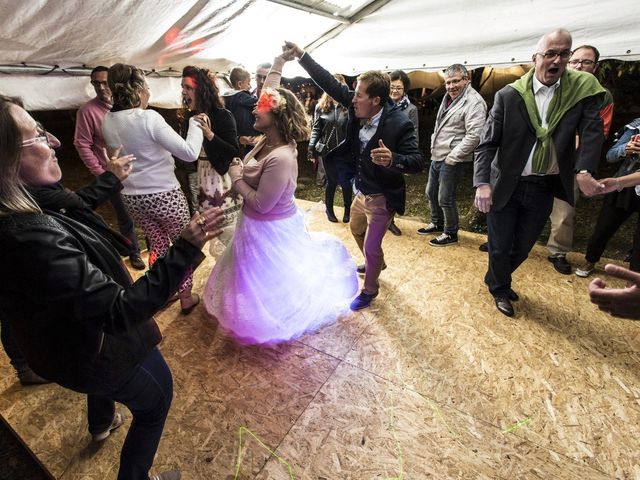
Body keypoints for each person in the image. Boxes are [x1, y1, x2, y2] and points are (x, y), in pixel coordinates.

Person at [0, 95, 225, 480]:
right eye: (36, 135)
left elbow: (71, 206)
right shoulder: (28, 236)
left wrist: (109, 179)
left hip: (69, 343)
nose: (54, 140)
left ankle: (101, 422)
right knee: (156, 401)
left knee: (102, 364)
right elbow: (118, 311)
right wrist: (185, 247)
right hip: (95, 349)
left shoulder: (26, 206)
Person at [203, 55, 358, 344]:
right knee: (252, 279)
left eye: (260, 110)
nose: (254, 111)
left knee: (275, 282)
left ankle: (274, 319)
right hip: (251, 227)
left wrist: (236, 176)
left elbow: (261, 204)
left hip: (269, 231)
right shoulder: (266, 138)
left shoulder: (282, 157)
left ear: (275, 117)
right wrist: (279, 62)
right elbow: (269, 93)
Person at [281, 41, 425, 311]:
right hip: (361, 190)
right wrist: (301, 55)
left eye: (358, 95)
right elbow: (328, 83)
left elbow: (417, 162)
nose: (352, 99)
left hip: (382, 196)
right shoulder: (360, 106)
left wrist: (394, 159)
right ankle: (376, 263)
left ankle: (371, 289)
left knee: (371, 246)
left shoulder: (399, 123)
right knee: (356, 229)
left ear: (376, 101)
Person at [474, 28, 606, 317]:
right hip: (506, 184)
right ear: (535, 58)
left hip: (544, 186)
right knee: (499, 245)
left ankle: (496, 278)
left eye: (564, 54)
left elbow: (592, 130)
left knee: (523, 246)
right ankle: (499, 288)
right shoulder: (509, 96)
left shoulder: (578, 93)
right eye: (550, 53)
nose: (557, 59)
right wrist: (482, 183)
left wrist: (584, 169)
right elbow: (487, 144)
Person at [102, 63, 206, 314]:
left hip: (131, 197)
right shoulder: (147, 117)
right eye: (148, 87)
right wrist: (195, 124)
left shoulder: (108, 120)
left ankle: (163, 291)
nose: (149, 93)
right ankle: (185, 295)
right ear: (138, 90)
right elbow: (189, 153)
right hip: (164, 194)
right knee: (184, 245)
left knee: (158, 245)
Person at [546, 45, 615, 274]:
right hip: (542, 156)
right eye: (575, 61)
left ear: (595, 67)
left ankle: (557, 252)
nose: (579, 66)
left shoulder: (602, 95)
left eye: (586, 62)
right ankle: (510, 242)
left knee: (564, 208)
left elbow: (598, 131)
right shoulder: (554, 85)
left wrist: (582, 163)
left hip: (573, 162)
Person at [74, 66, 145, 270]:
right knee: (125, 216)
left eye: (105, 82)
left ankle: (155, 247)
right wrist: (103, 173)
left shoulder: (127, 105)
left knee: (145, 210)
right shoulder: (87, 111)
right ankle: (134, 252)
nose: (101, 87)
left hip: (138, 171)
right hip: (115, 175)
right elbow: (82, 143)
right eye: (96, 83)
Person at [419, 64, 486, 247]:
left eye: (456, 81)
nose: (451, 86)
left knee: (445, 198)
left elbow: (475, 135)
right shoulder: (449, 98)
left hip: (452, 157)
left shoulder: (474, 102)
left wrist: (453, 156)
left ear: (466, 80)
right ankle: (437, 222)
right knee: (430, 192)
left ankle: (450, 232)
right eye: (448, 82)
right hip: (438, 154)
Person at [574, 120, 640, 277]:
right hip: (624, 188)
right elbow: (610, 156)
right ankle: (591, 260)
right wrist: (626, 149)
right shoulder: (636, 127)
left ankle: (633, 279)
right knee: (603, 229)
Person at [178, 66, 240, 222]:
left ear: (202, 91)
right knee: (208, 225)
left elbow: (233, 151)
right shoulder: (190, 119)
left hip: (221, 176)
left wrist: (210, 135)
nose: (184, 92)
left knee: (226, 226)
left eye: (188, 88)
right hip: (201, 176)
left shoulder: (223, 115)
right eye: (183, 87)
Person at [308, 74, 351, 223]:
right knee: (331, 181)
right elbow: (316, 129)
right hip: (328, 152)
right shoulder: (321, 107)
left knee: (346, 182)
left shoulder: (349, 106)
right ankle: (329, 210)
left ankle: (348, 210)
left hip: (345, 151)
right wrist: (311, 148)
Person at [387, 70, 421, 236]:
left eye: (398, 88)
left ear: (404, 90)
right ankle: (379, 219)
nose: (394, 91)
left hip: (398, 155)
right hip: (380, 152)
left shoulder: (411, 109)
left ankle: (390, 221)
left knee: (394, 188)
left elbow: (414, 133)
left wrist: (409, 160)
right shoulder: (381, 105)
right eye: (392, 87)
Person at [223, 66, 260, 154]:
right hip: (248, 135)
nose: (250, 86)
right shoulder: (241, 96)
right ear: (239, 84)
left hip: (236, 134)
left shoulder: (226, 97)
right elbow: (257, 102)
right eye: (248, 83)